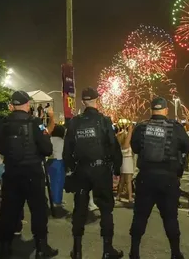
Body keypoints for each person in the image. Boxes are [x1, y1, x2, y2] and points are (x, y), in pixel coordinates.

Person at [0, 91, 58, 258]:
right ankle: (41, 247)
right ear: (27, 104)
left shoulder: (3, 123)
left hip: (12, 173)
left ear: (13, 104)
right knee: (38, 210)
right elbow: (47, 149)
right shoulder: (35, 122)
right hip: (32, 173)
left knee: (8, 210)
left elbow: (1, 147)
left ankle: (5, 248)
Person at [63, 87, 123, 259]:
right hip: (101, 170)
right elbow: (113, 147)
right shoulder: (104, 121)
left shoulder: (74, 122)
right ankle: (107, 249)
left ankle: (77, 250)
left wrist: (72, 169)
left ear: (83, 102)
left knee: (80, 210)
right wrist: (116, 170)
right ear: (97, 99)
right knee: (106, 210)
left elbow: (67, 150)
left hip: (81, 170)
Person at [129, 97, 189, 259]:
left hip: (146, 178)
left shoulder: (141, 127)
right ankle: (175, 253)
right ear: (165, 110)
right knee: (170, 218)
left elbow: (135, 148)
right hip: (168, 180)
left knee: (140, 216)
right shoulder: (175, 127)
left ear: (151, 110)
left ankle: (134, 252)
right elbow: (187, 145)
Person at [116, 124, 135, 203]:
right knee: (128, 181)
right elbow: (129, 137)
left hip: (123, 162)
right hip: (128, 162)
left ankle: (118, 195)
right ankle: (130, 197)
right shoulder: (126, 145)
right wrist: (130, 130)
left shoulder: (121, 146)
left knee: (122, 180)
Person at [48, 125, 66, 206]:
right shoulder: (62, 141)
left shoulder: (49, 140)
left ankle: (55, 200)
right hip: (59, 162)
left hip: (50, 162)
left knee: (53, 183)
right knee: (59, 183)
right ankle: (57, 201)